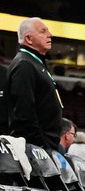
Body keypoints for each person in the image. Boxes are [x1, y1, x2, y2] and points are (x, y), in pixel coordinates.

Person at [5, 16, 62, 154]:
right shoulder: (24, 65)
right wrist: (42, 145)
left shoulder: (35, 62)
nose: (50, 34)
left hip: (43, 146)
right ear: (29, 39)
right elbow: (24, 113)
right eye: (43, 31)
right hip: (35, 149)